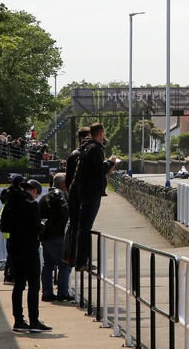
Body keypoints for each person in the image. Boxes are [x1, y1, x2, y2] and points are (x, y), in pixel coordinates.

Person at [4, 179, 53, 333]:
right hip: (29, 247)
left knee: (18, 285)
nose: (36, 197)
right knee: (33, 285)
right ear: (33, 191)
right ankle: (34, 321)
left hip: (14, 246)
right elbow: (36, 228)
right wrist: (42, 226)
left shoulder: (10, 202)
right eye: (37, 194)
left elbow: (4, 226)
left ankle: (18, 320)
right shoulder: (31, 204)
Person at [75, 123, 117, 271]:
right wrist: (110, 162)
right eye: (103, 134)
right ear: (101, 133)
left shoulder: (87, 147)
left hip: (86, 192)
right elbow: (99, 170)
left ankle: (82, 259)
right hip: (92, 193)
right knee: (85, 228)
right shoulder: (95, 148)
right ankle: (81, 261)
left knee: (84, 227)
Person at [39, 173, 72, 301]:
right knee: (65, 264)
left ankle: (47, 292)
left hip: (45, 236)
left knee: (48, 264)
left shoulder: (44, 197)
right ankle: (63, 292)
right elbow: (65, 213)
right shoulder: (58, 195)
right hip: (56, 236)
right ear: (63, 183)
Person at [63, 126, 91, 266]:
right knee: (80, 227)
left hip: (75, 195)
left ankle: (74, 256)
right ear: (82, 138)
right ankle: (78, 258)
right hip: (80, 195)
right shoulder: (79, 155)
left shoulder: (74, 155)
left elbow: (68, 180)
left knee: (77, 226)